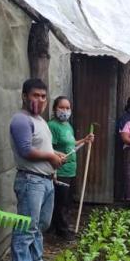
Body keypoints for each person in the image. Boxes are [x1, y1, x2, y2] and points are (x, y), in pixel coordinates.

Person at [8, 78, 65, 261]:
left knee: (41, 223)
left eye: (43, 96)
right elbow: (25, 150)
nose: (40, 100)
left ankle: (35, 259)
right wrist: (50, 157)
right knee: (26, 224)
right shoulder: (21, 120)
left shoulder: (40, 120)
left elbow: (42, 147)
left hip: (45, 180)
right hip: (31, 180)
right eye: (35, 95)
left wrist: (54, 153)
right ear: (24, 96)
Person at [48, 95, 94, 240]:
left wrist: (85, 140)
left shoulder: (68, 126)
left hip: (70, 169)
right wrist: (57, 155)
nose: (65, 110)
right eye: (62, 107)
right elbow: (48, 147)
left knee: (67, 201)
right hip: (59, 169)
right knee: (61, 201)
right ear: (55, 109)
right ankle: (61, 231)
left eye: (67, 108)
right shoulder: (52, 126)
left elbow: (72, 144)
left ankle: (63, 226)